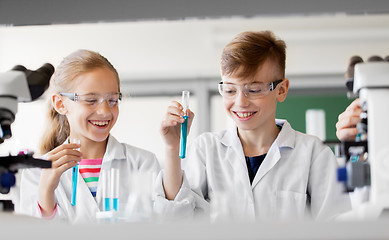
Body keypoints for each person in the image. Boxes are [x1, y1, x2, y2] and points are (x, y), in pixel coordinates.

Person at [154, 30, 352, 221]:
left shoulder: (313, 153)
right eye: (230, 90)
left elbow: (337, 226)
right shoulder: (206, 149)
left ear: (281, 90)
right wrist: (172, 149)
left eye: (254, 89)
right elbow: (174, 221)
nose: (241, 102)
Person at [18, 49, 160, 223]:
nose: (104, 111)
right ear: (60, 104)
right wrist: (46, 191)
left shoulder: (142, 163)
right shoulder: (36, 173)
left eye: (113, 100)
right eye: (91, 100)